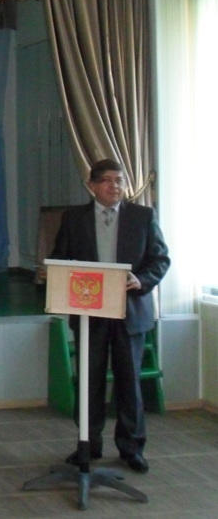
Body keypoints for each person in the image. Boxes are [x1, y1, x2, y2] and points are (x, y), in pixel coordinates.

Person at [49, 158, 170, 473]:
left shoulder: (143, 217)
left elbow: (160, 259)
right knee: (90, 383)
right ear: (92, 185)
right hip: (89, 313)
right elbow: (60, 258)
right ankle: (88, 446)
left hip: (130, 312)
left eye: (119, 181)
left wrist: (142, 280)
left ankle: (132, 448)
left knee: (129, 384)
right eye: (107, 180)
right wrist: (57, 273)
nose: (114, 186)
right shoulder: (74, 219)